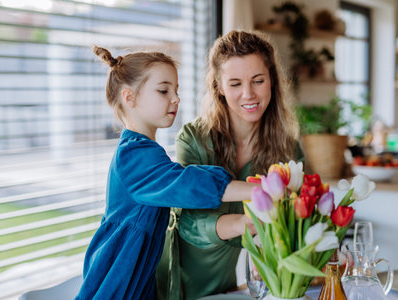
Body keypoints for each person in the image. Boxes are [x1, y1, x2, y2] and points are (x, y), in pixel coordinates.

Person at [74, 46, 257, 300]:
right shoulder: (133, 156)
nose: (176, 98)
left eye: (176, 90)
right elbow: (185, 183)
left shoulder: (147, 152)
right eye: (163, 90)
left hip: (137, 283)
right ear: (130, 98)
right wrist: (259, 190)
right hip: (115, 284)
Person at [156, 30, 303, 300]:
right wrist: (244, 224)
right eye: (235, 83)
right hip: (171, 283)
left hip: (224, 288)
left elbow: (297, 218)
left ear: (272, 81)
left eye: (258, 80)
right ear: (219, 87)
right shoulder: (194, 140)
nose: (248, 94)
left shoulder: (288, 149)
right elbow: (188, 222)